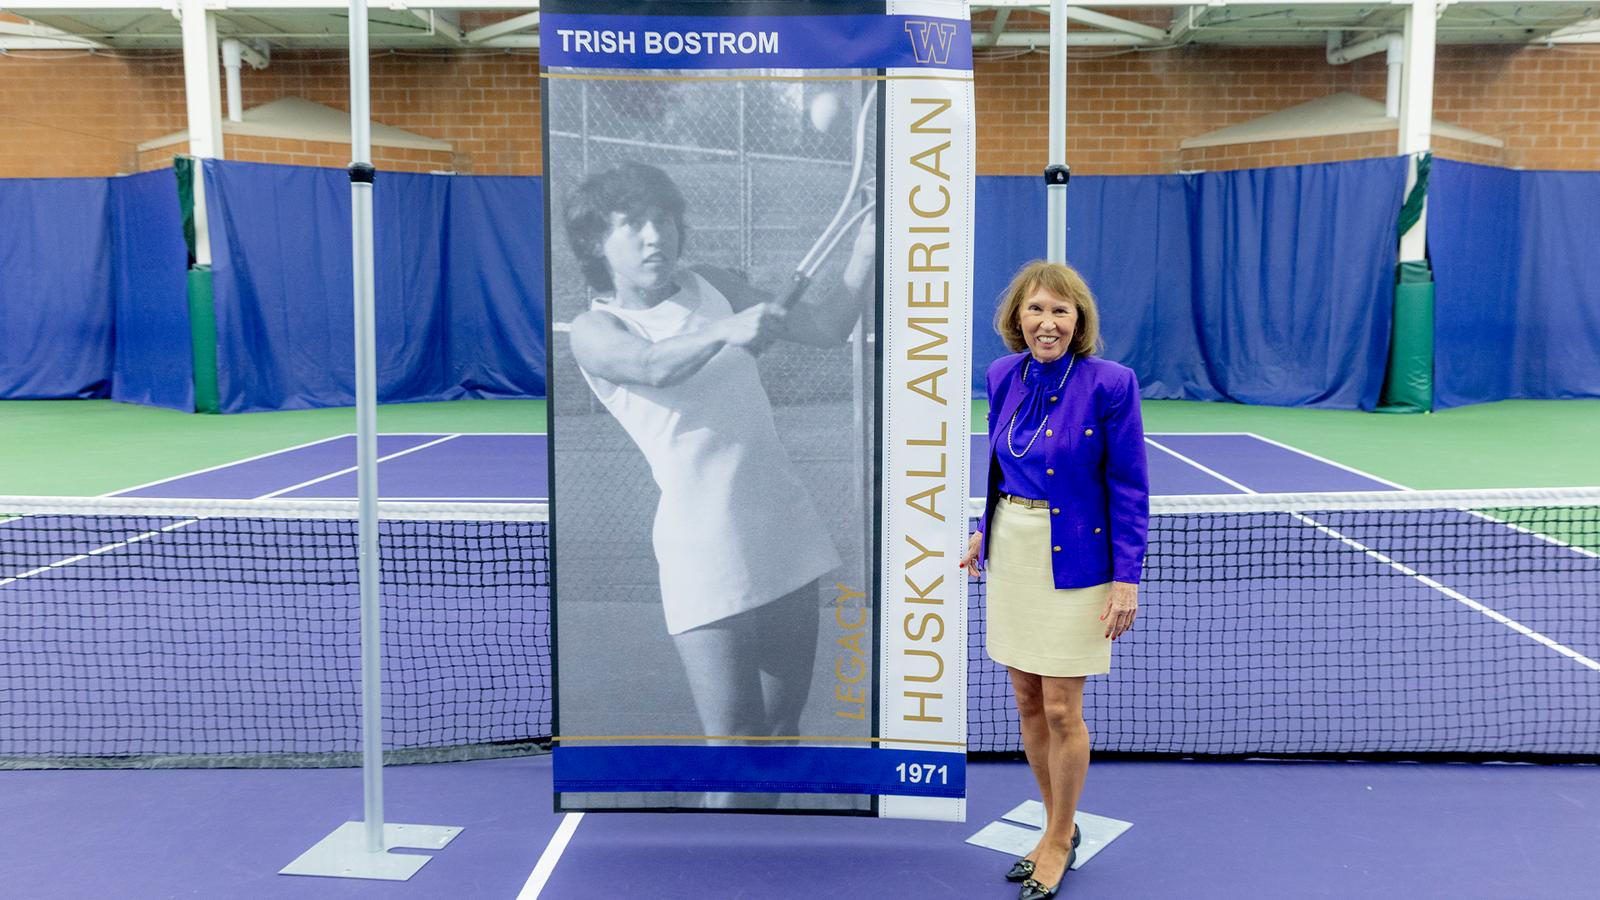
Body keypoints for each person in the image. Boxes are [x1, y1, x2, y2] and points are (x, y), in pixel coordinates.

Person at [563, 162, 874, 795]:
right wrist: (729, 328)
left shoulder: (715, 285)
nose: (656, 236)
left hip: (784, 527)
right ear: (599, 242)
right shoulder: (595, 330)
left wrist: (870, 238)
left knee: (783, 732)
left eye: (664, 218)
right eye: (633, 224)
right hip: (704, 548)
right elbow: (651, 367)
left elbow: (828, 324)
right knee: (733, 746)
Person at [959, 260, 1149, 899]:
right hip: (1011, 549)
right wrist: (983, 529)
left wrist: (1127, 578)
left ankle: (1061, 838)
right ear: (1017, 316)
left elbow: (1127, 486)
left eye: (1061, 311)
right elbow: (1002, 463)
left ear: (1079, 321)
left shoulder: (1110, 384)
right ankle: (1051, 825)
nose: (1048, 322)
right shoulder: (1000, 375)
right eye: (1037, 309)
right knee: (1026, 699)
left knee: (1064, 705)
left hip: (1077, 557)